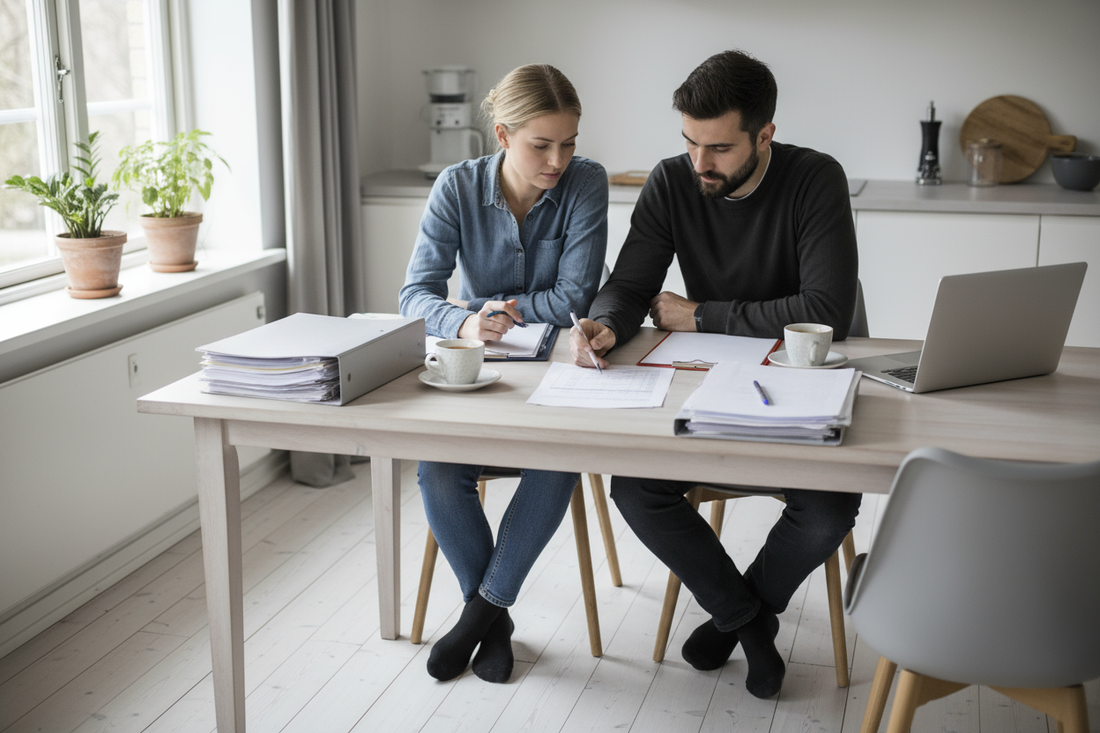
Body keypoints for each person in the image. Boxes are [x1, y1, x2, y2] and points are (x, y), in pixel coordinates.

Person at [569, 50, 860, 699]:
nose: (701, 162)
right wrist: (608, 324)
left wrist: (703, 314)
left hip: (803, 385)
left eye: (720, 147)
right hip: (711, 389)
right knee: (636, 488)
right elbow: (628, 284)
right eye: (690, 143)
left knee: (830, 507)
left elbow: (824, 311)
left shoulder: (816, 179)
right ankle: (747, 621)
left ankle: (734, 619)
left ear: (765, 136)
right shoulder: (674, 182)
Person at [399, 63, 608, 683]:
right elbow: (414, 294)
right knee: (437, 469)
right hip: (477, 369)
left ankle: (479, 616)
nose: (558, 160)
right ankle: (495, 622)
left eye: (568, 143)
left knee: (558, 459)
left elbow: (578, 293)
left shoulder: (586, 184)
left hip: (556, 371)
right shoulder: (456, 187)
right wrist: (464, 324)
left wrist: (489, 308)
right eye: (541, 144)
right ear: (501, 134)